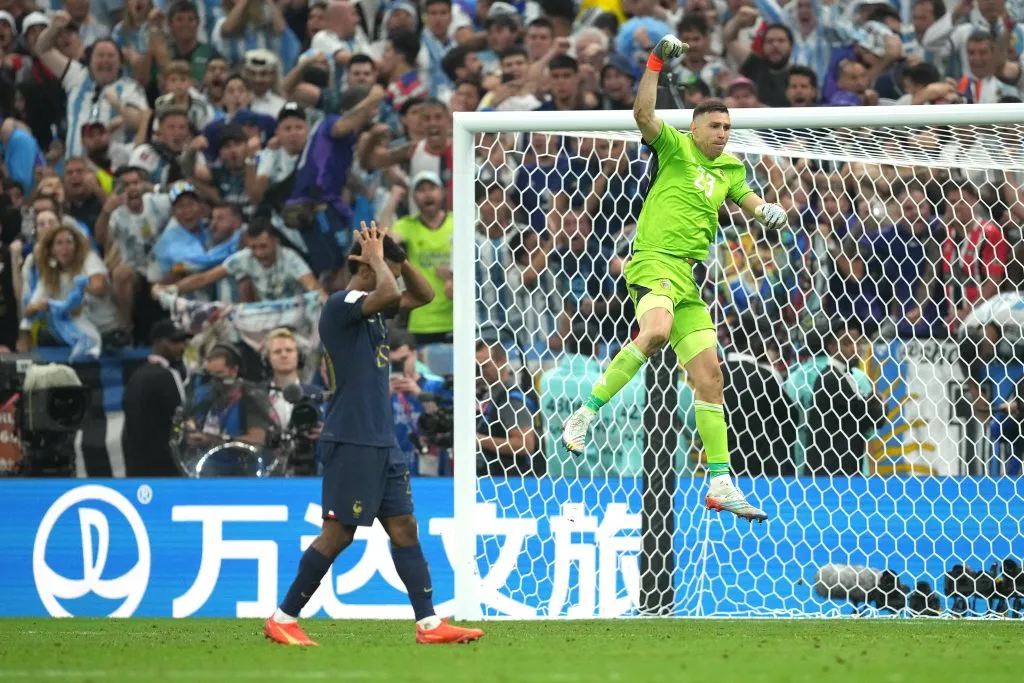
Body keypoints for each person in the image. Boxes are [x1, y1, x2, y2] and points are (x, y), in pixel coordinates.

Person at [560, 35, 789, 523]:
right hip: (652, 261)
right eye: (714, 125)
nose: (723, 133)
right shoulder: (675, 146)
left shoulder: (731, 167)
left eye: (728, 126)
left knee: (711, 376)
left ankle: (721, 482)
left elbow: (749, 201)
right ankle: (584, 414)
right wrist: (656, 64)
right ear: (694, 127)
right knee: (656, 332)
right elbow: (643, 115)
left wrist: (769, 212)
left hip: (687, 277)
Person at [263, 222, 483, 646]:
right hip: (352, 437)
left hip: (381, 441)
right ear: (361, 264)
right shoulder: (340, 304)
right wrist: (379, 261)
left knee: (404, 526)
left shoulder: (374, 311)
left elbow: (425, 296)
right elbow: (385, 292)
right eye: (383, 265)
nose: (393, 276)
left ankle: (429, 625)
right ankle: (284, 616)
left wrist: (397, 259)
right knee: (338, 533)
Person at [122, 320, 190, 477]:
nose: (181, 347)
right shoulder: (168, 375)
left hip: (136, 466)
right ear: (158, 342)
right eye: (174, 341)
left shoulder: (136, 375)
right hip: (165, 467)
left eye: (183, 341)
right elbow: (180, 422)